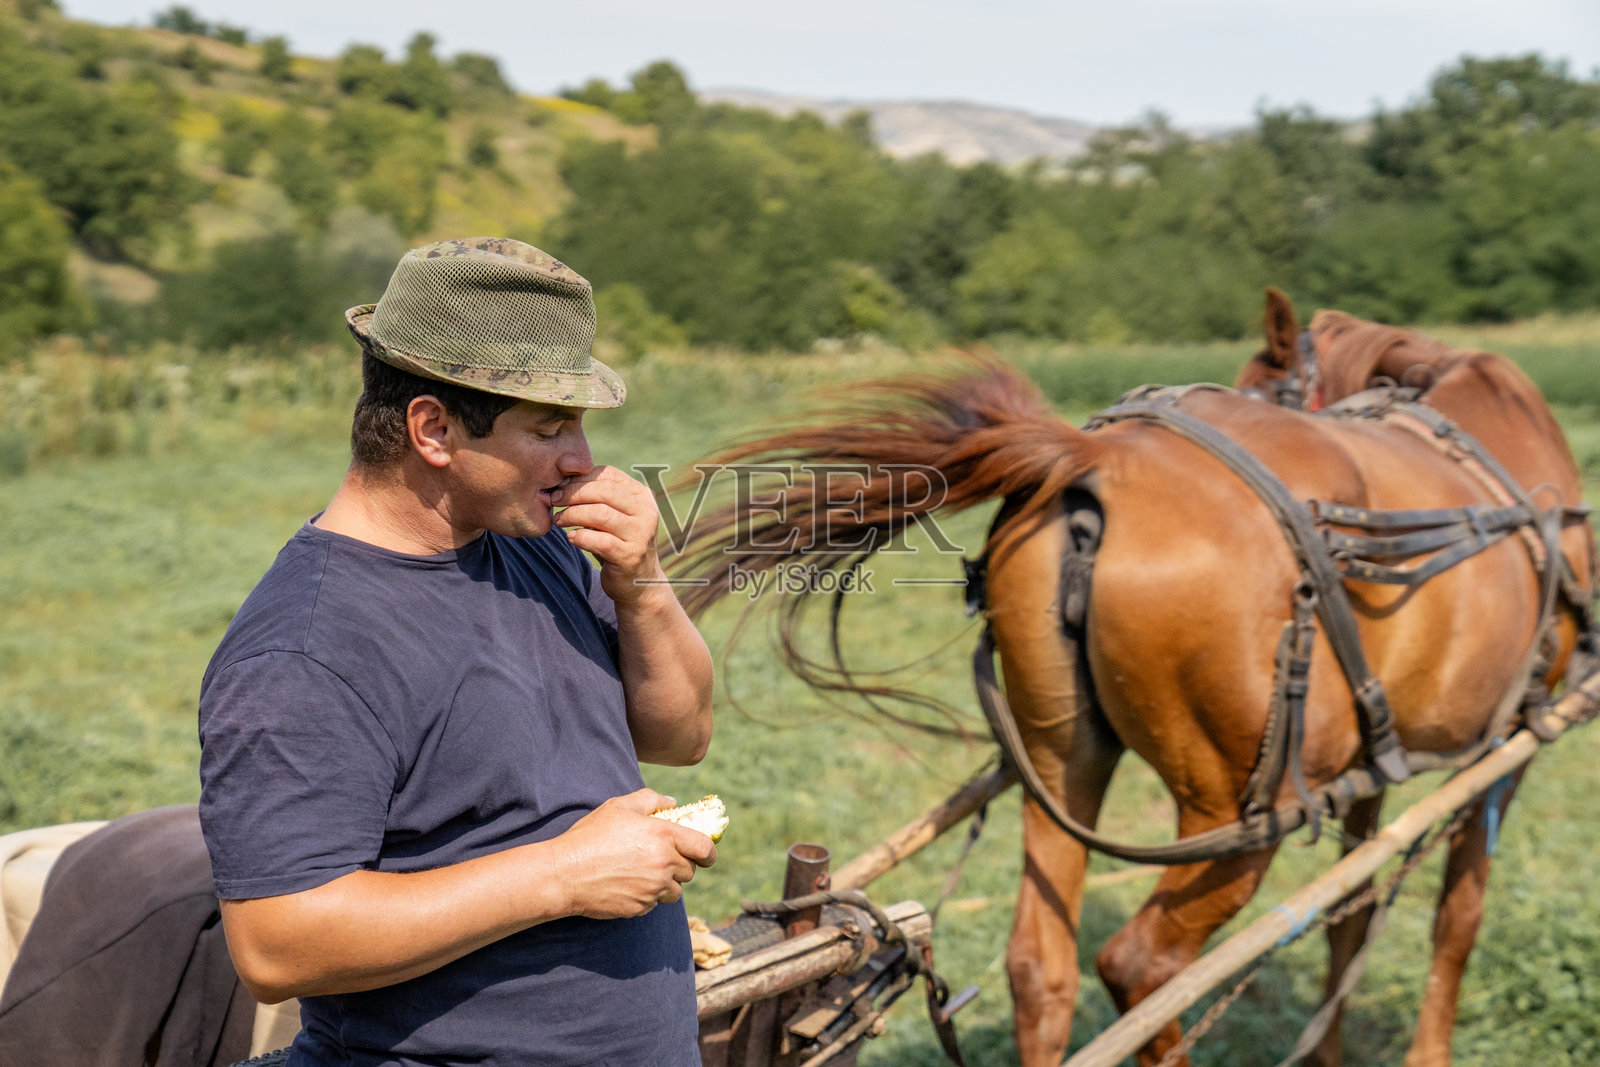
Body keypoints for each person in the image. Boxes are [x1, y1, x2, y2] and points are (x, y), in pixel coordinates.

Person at [196, 237, 716, 1066]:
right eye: (549, 427)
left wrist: (643, 582)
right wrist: (565, 874)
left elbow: (677, 737)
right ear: (433, 428)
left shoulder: (532, 543)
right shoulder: (306, 650)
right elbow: (275, 944)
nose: (581, 460)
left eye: (580, 424)